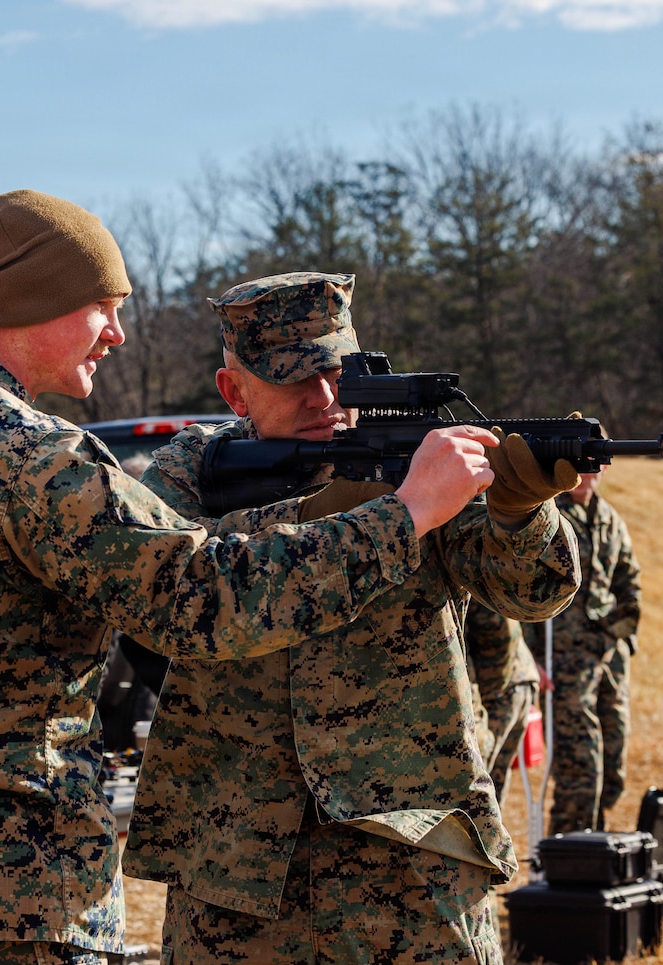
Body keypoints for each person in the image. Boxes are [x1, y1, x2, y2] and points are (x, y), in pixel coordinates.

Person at [0, 192, 498, 965]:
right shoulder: (31, 455)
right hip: (12, 903)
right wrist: (403, 514)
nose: (117, 333)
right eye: (104, 306)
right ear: (40, 299)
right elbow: (207, 599)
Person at [123, 271, 583, 964]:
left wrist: (521, 512)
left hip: (411, 856)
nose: (325, 399)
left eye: (338, 374)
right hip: (236, 867)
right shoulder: (190, 472)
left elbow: (529, 590)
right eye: (292, 380)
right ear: (234, 389)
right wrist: (374, 515)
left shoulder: (412, 462)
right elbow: (171, 592)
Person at [530, 456, 642, 834]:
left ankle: (595, 843)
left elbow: (628, 580)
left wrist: (623, 637)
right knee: (579, 765)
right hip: (562, 657)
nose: (586, 475)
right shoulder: (546, 516)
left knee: (613, 764)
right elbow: (518, 588)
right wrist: (530, 658)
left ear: (605, 470)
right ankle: (567, 852)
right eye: (580, 465)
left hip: (608, 657)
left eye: (595, 466)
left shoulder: (610, 519)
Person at [461, 598, 540, 801]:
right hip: (513, 681)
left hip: (500, 690)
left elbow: (498, 629)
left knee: (476, 791)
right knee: (489, 790)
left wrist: (483, 704)